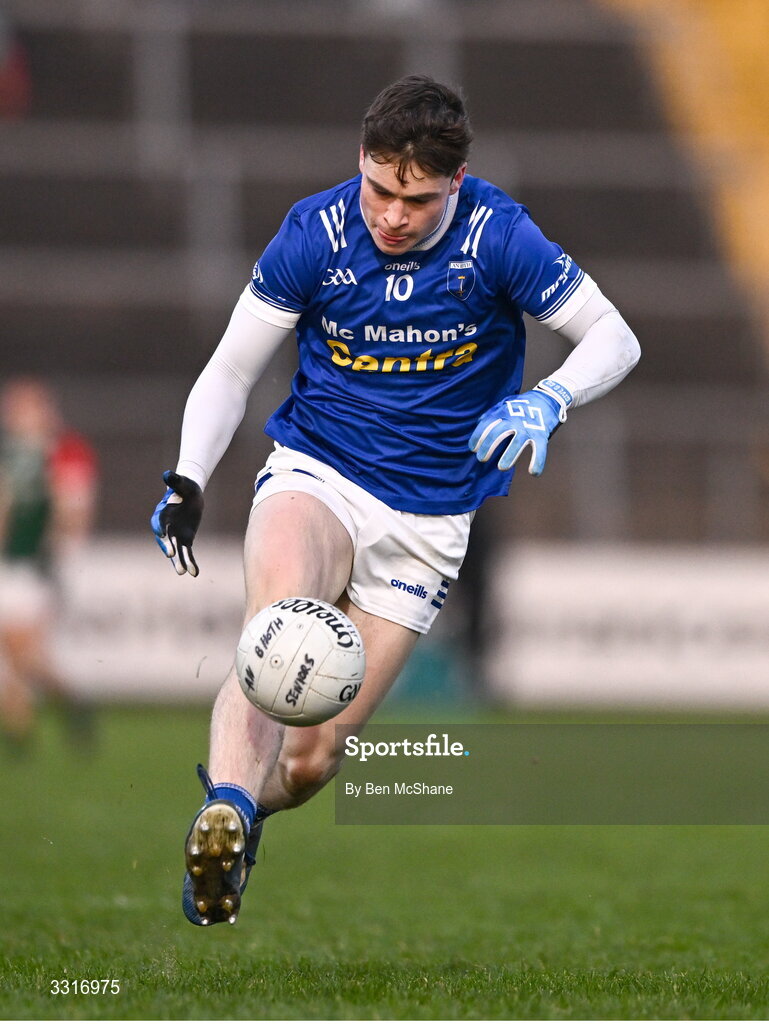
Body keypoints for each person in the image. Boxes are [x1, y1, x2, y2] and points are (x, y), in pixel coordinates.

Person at [151, 75, 640, 926]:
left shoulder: (498, 236)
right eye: (379, 188)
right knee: (278, 628)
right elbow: (229, 370)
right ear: (361, 163)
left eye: (414, 199)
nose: (391, 215)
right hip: (319, 471)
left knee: (310, 758)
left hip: (428, 521)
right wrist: (190, 475)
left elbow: (613, 336)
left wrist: (548, 399)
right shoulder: (316, 232)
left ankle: (247, 818)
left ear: (452, 182)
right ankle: (223, 802)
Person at [0, 378, 98, 749]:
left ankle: (70, 705)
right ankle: (19, 735)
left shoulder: (61, 452)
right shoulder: (15, 455)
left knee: (22, 652)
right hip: (12, 564)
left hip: (33, 566)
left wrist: (56, 549)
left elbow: (73, 512)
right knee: (13, 654)